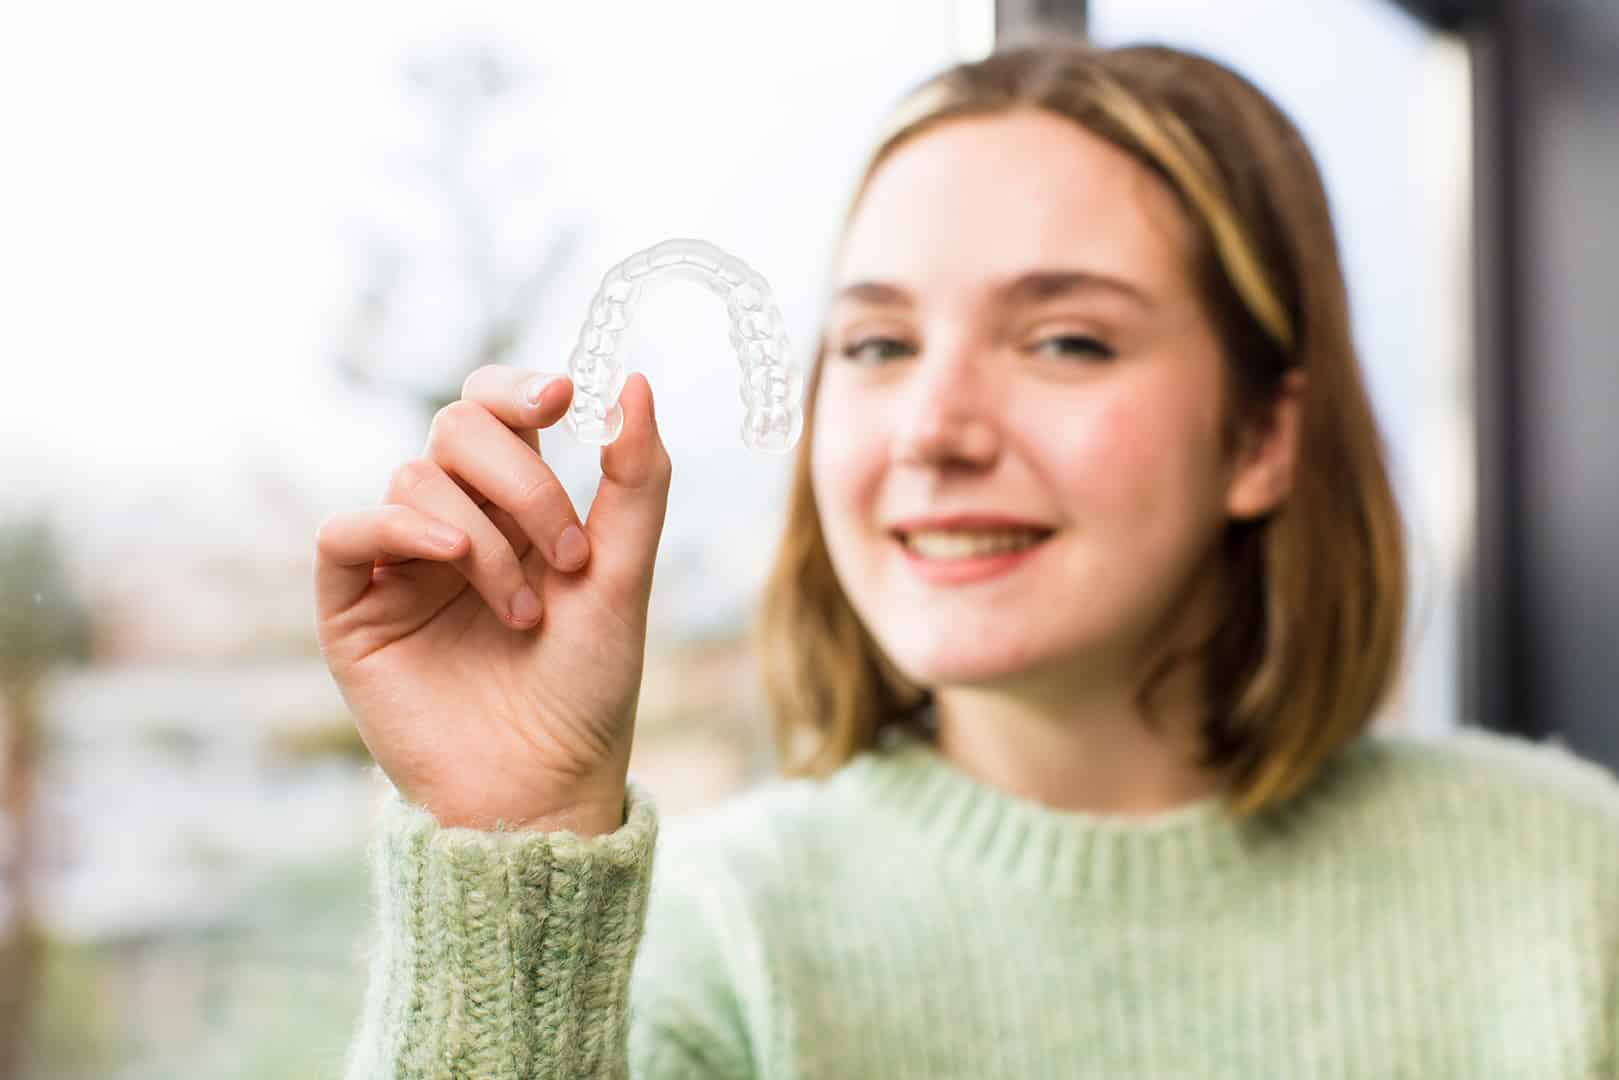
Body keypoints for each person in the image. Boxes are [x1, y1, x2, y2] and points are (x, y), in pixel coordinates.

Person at [313, 38, 1619, 1078]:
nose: (933, 430)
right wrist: (511, 844)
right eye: (878, 346)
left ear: (1264, 437)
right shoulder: (705, 945)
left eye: (1066, 342)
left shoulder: (1570, 883)